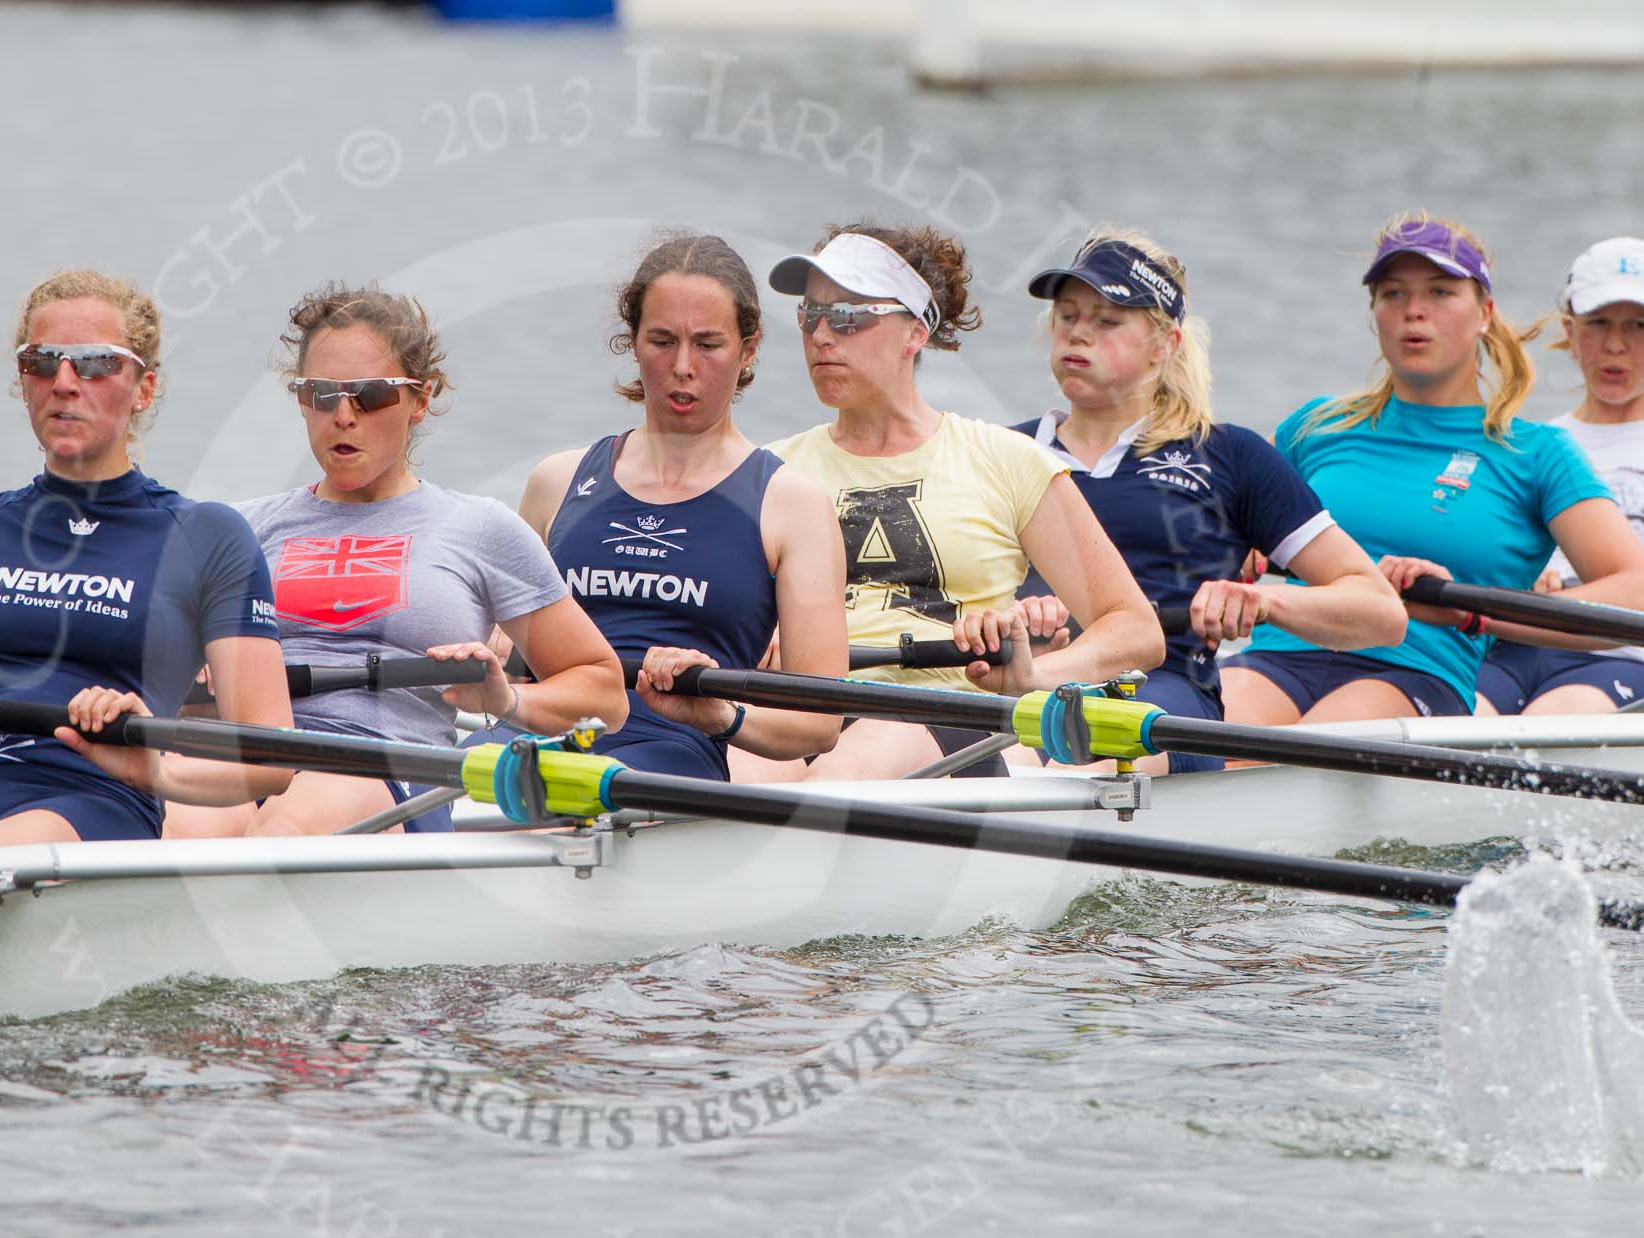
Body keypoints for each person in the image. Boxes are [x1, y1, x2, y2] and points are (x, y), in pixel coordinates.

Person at [0, 270, 295, 858]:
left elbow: (272, 757)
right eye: (43, 361)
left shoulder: (206, 538)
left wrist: (152, 768)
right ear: (23, 381)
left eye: (97, 362)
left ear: (144, 387)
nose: (65, 382)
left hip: (95, 793)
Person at [186, 283, 626, 838]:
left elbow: (604, 693)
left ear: (420, 399)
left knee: (286, 829)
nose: (343, 416)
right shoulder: (242, 528)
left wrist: (505, 697)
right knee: (174, 828)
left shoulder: (479, 529)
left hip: (386, 770)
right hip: (249, 755)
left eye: (371, 396)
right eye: (322, 395)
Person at [747, 222, 1162, 781]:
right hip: (803, 714)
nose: (822, 335)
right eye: (810, 315)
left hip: (947, 713)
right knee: (692, 795)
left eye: (847, 316)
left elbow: (1135, 630)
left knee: (849, 768)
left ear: (914, 333)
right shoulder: (768, 472)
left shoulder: (1007, 460)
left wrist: (1032, 676)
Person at [1010, 228, 1404, 773]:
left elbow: (1380, 612)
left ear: (1164, 346)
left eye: (1106, 321)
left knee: (1061, 761)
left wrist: (1267, 603)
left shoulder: (1228, 455)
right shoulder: (1002, 452)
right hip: (1021, 681)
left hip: (1161, 694)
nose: (1079, 334)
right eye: (1068, 316)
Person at [1225, 214, 1644, 724]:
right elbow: (1198, 533)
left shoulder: (1536, 453)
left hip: (1416, 675)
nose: (1414, 312)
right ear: (1374, 311)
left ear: (1485, 313)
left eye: (1441, 292)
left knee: (1299, 756)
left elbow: (1633, 593)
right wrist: (1234, 544)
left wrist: (1472, 614)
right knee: (1187, 747)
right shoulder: (1315, 426)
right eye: (1394, 294)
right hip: (1278, 656)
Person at [517, 232, 848, 779]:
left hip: (670, 758)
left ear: (749, 348)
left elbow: (818, 726)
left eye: (709, 344)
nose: (683, 366)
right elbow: (509, 658)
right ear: (633, 340)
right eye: (662, 340)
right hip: (541, 737)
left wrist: (719, 715)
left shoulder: (792, 505)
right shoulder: (556, 482)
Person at [1476, 236, 1644, 715]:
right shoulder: (1533, 445)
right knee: (1463, 712)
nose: (1616, 345)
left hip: (1627, 652)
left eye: (1638, 325)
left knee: (1550, 722)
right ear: (1570, 333)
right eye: (1598, 324)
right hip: (1518, 646)